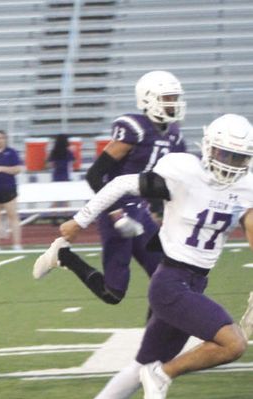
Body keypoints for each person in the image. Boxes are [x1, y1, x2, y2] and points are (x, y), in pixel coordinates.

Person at [53, 113, 253, 399]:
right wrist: (79, 220)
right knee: (233, 344)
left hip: (194, 282)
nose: (231, 164)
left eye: (239, 157)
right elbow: (118, 185)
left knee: (140, 366)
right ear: (208, 148)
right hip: (171, 282)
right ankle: (164, 375)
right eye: (225, 154)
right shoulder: (184, 171)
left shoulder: (246, 185)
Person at [33, 71, 186, 300]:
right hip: (115, 210)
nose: (173, 104)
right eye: (167, 98)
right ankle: (65, 256)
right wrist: (117, 215)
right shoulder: (135, 129)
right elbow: (95, 175)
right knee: (113, 293)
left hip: (141, 211)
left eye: (174, 98)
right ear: (148, 99)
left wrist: (156, 210)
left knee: (166, 278)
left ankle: (155, 335)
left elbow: (164, 180)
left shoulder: (173, 135)